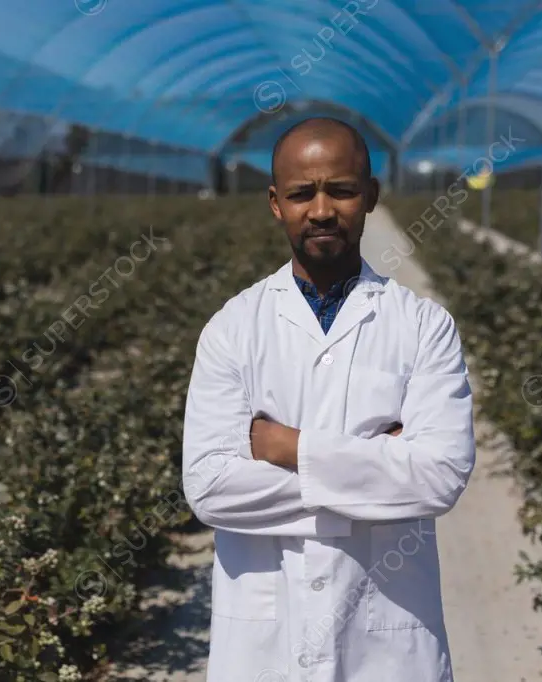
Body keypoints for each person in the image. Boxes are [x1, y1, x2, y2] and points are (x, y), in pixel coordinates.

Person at [181, 117, 476, 682]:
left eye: (340, 190)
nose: (320, 210)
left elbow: (440, 475)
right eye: (301, 193)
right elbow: (211, 487)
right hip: (263, 650)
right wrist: (376, 464)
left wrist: (284, 446)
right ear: (275, 202)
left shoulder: (424, 327)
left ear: (370, 196)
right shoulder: (232, 329)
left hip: (388, 648)